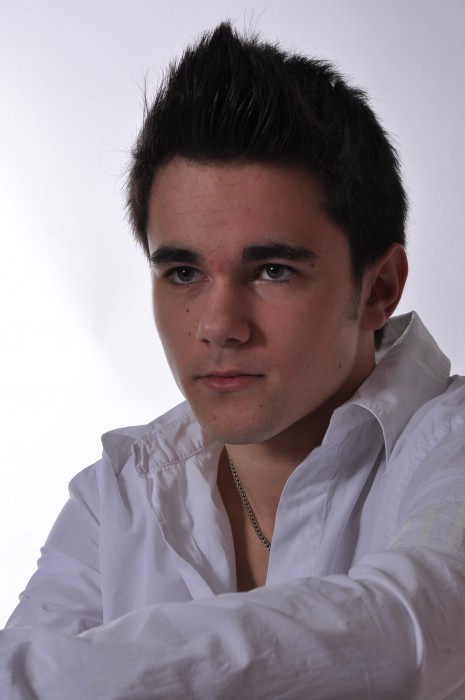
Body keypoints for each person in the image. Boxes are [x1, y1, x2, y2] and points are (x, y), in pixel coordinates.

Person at [2, 21, 465, 699]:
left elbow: (411, 634)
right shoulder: (119, 496)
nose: (217, 326)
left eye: (273, 270)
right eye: (184, 273)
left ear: (379, 288)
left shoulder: (450, 448)